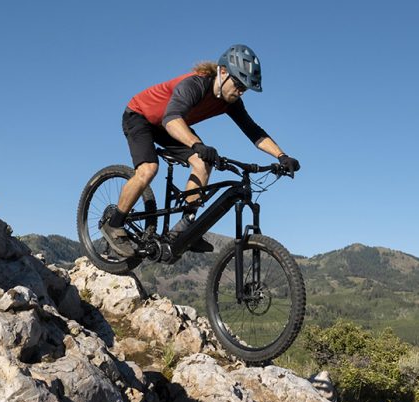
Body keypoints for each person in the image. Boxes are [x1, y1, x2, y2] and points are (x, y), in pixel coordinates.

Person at [101, 44, 300, 257]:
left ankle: (185, 229)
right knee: (149, 169)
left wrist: (282, 156)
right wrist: (197, 144)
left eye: (245, 88)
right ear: (222, 72)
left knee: (203, 162)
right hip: (140, 116)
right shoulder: (196, 84)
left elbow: (254, 131)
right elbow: (171, 119)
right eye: (238, 84)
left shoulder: (231, 102)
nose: (241, 91)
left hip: (168, 124)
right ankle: (114, 224)